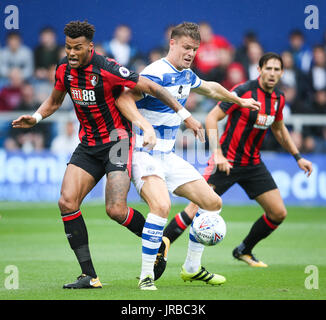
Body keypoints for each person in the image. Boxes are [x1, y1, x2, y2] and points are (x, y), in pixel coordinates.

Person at [12, 20, 203, 289]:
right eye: (68, 47)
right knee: (67, 203)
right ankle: (89, 276)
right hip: (88, 145)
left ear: (90, 47)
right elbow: (55, 101)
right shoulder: (64, 71)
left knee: (115, 209)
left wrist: (185, 115)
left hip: (117, 142)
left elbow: (152, 87)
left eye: (77, 47)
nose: (71, 53)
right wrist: (36, 116)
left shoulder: (108, 68)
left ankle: (157, 243)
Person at [119, 22, 260, 290]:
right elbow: (124, 100)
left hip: (168, 156)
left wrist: (239, 100)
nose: (190, 53)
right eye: (186, 47)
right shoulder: (156, 73)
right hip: (143, 154)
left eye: (194, 49)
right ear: (172, 43)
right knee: (161, 207)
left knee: (212, 202)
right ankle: (146, 276)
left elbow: (210, 88)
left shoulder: (185, 74)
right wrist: (146, 126)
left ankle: (192, 268)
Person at [156, 52, 313, 278]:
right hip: (226, 161)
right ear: (259, 70)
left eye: (277, 70)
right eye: (268, 68)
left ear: (282, 73)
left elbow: (279, 129)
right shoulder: (243, 91)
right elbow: (211, 117)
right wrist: (217, 154)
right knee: (195, 208)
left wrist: (298, 157)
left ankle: (244, 250)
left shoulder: (278, 99)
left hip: (253, 164)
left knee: (278, 213)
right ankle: (164, 246)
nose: (272, 73)